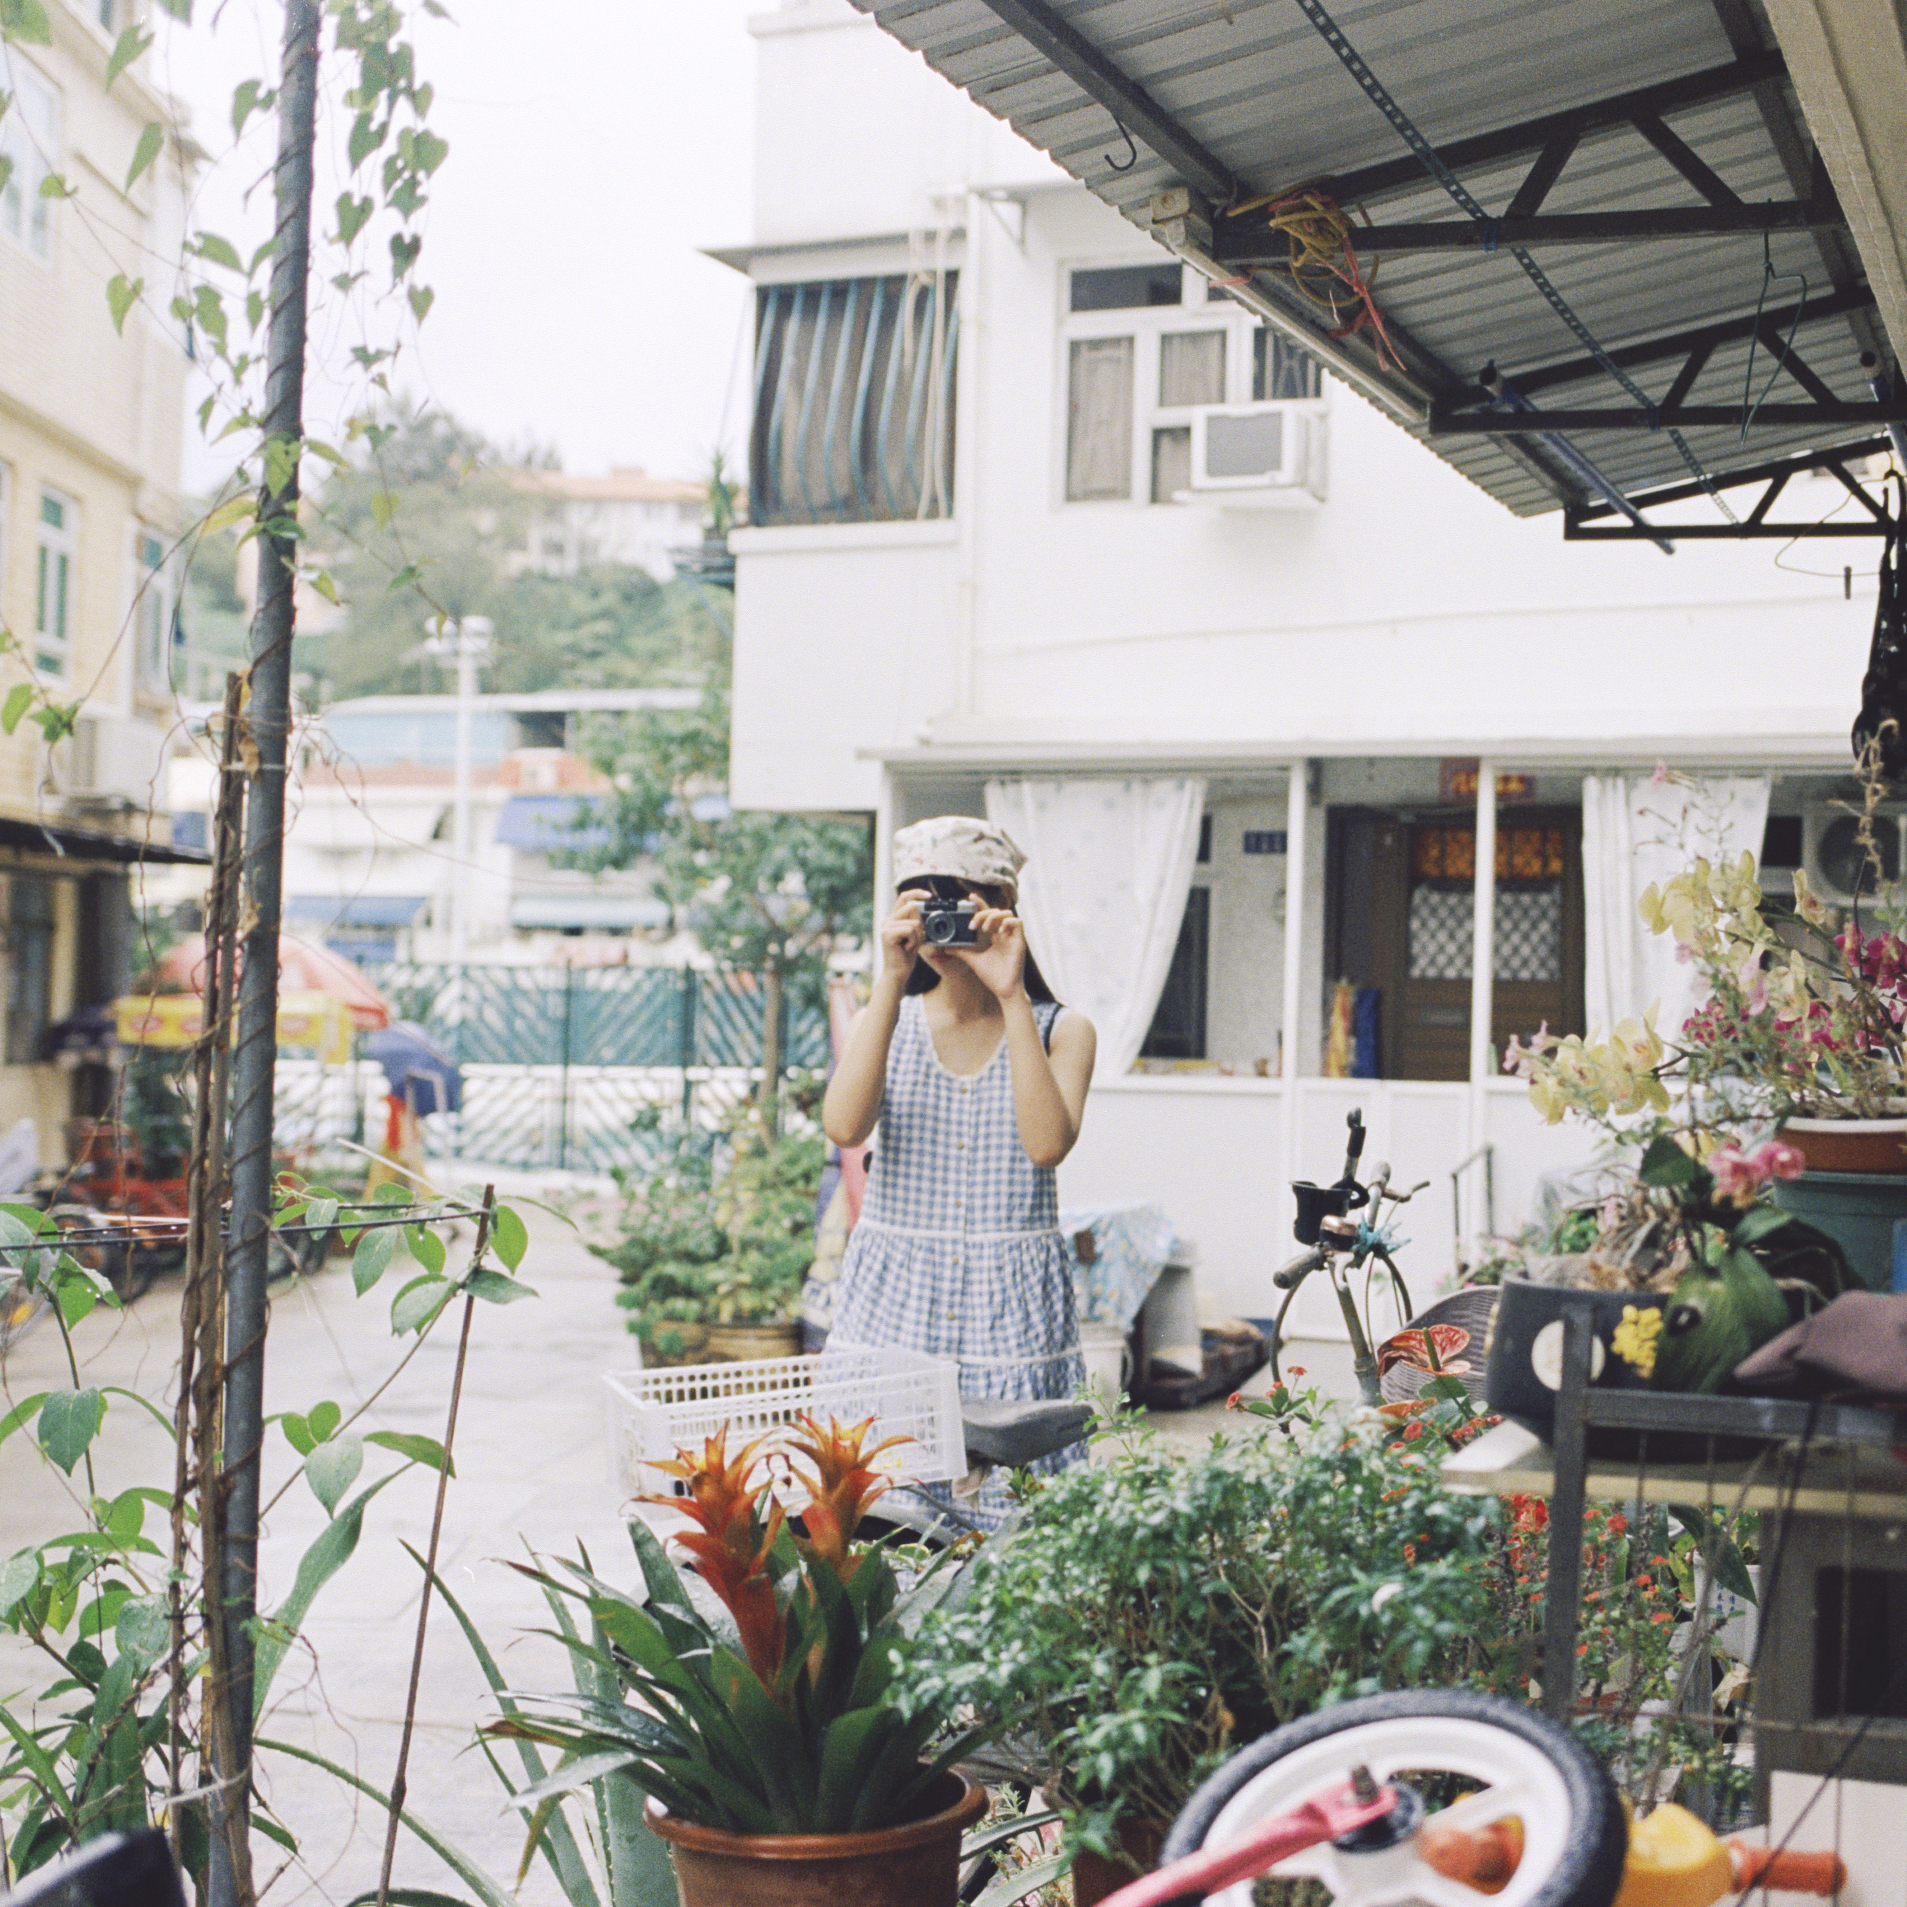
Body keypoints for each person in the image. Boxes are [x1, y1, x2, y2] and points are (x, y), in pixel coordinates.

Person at [822, 816, 1097, 1528]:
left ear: (1000, 906)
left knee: (1017, 1529)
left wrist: (1010, 993)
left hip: (1010, 1318)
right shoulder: (889, 1019)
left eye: (956, 903)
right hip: (894, 1310)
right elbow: (844, 1127)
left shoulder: (1060, 1028)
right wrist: (888, 980)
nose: (940, 931)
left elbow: (1046, 1146)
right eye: (924, 905)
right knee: (879, 1527)